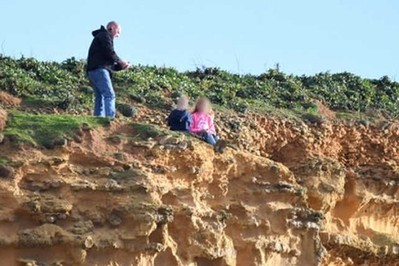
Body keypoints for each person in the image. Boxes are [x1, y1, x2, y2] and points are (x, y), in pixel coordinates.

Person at [86, 21, 130, 118]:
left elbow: (109, 65)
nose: (118, 35)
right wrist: (120, 61)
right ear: (112, 28)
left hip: (92, 71)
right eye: (118, 32)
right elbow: (110, 51)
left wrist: (121, 66)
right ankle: (110, 119)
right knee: (109, 95)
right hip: (99, 70)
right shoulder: (105, 36)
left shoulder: (100, 37)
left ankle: (98, 119)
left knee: (100, 97)